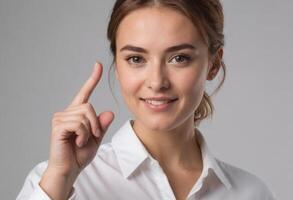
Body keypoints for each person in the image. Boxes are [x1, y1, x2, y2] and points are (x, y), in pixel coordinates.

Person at [16, 0, 277, 199]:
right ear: (117, 66)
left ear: (213, 64)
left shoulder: (250, 192)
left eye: (179, 58)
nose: (156, 81)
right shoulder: (54, 183)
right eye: (136, 59)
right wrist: (61, 178)